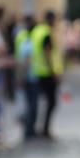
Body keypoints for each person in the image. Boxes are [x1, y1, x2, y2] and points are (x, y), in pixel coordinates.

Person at [31, 10, 63, 139]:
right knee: (51, 102)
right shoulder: (46, 33)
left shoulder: (37, 31)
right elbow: (47, 53)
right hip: (47, 73)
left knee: (38, 102)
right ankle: (45, 129)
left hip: (37, 71)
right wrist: (53, 72)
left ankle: (36, 128)